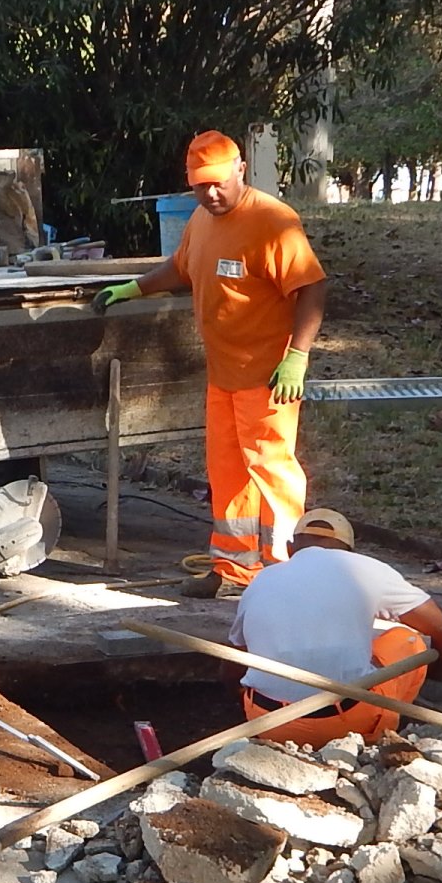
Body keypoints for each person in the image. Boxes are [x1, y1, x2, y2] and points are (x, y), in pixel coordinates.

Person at [93, 129, 327, 596]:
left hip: (268, 378)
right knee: (228, 474)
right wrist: (134, 288)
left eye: (219, 182)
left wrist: (297, 357)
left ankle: (289, 578)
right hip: (223, 376)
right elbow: (181, 267)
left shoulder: (272, 220)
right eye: (202, 185)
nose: (212, 193)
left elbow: (312, 287)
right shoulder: (201, 220)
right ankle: (236, 572)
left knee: (272, 472)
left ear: (241, 169)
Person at [230, 508, 442, 747]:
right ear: (349, 550)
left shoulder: (262, 579)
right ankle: (383, 730)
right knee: (407, 640)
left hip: (266, 723)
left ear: (290, 548)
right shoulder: (364, 569)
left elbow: (232, 662)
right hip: (348, 725)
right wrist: (438, 675)